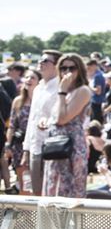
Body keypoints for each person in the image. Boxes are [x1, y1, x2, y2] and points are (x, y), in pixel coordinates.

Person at [43, 53, 92, 197]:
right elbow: (55, 117)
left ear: (80, 70)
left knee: (70, 190)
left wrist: (62, 91)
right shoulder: (63, 92)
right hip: (55, 146)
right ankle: (53, 220)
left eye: (72, 68)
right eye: (63, 68)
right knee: (54, 186)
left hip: (72, 146)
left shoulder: (82, 90)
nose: (67, 72)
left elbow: (63, 119)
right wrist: (46, 121)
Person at [22, 49, 61, 195]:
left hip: (53, 146)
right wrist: (26, 148)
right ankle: (40, 219)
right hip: (35, 146)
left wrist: (49, 121)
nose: (40, 63)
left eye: (45, 61)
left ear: (56, 65)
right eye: (40, 60)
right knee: (36, 191)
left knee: (52, 192)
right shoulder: (38, 88)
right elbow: (32, 119)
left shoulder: (61, 88)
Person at [5, 69, 40, 194]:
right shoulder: (18, 101)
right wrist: (8, 144)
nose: (29, 80)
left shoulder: (41, 100)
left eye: (32, 78)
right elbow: (12, 125)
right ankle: (25, 211)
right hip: (20, 144)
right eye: (27, 77)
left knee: (36, 181)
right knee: (23, 182)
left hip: (37, 143)